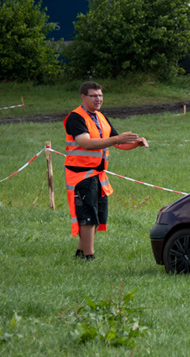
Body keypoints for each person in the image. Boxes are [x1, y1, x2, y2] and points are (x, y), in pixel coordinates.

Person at [63, 82, 149, 260]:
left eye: (100, 95)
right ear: (83, 97)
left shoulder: (101, 117)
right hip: (81, 175)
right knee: (88, 218)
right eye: (94, 95)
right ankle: (89, 256)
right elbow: (85, 143)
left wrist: (135, 143)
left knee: (97, 217)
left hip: (98, 175)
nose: (98, 99)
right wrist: (117, 138)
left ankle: (80, 254)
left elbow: (117, 143)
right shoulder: (75, 117)